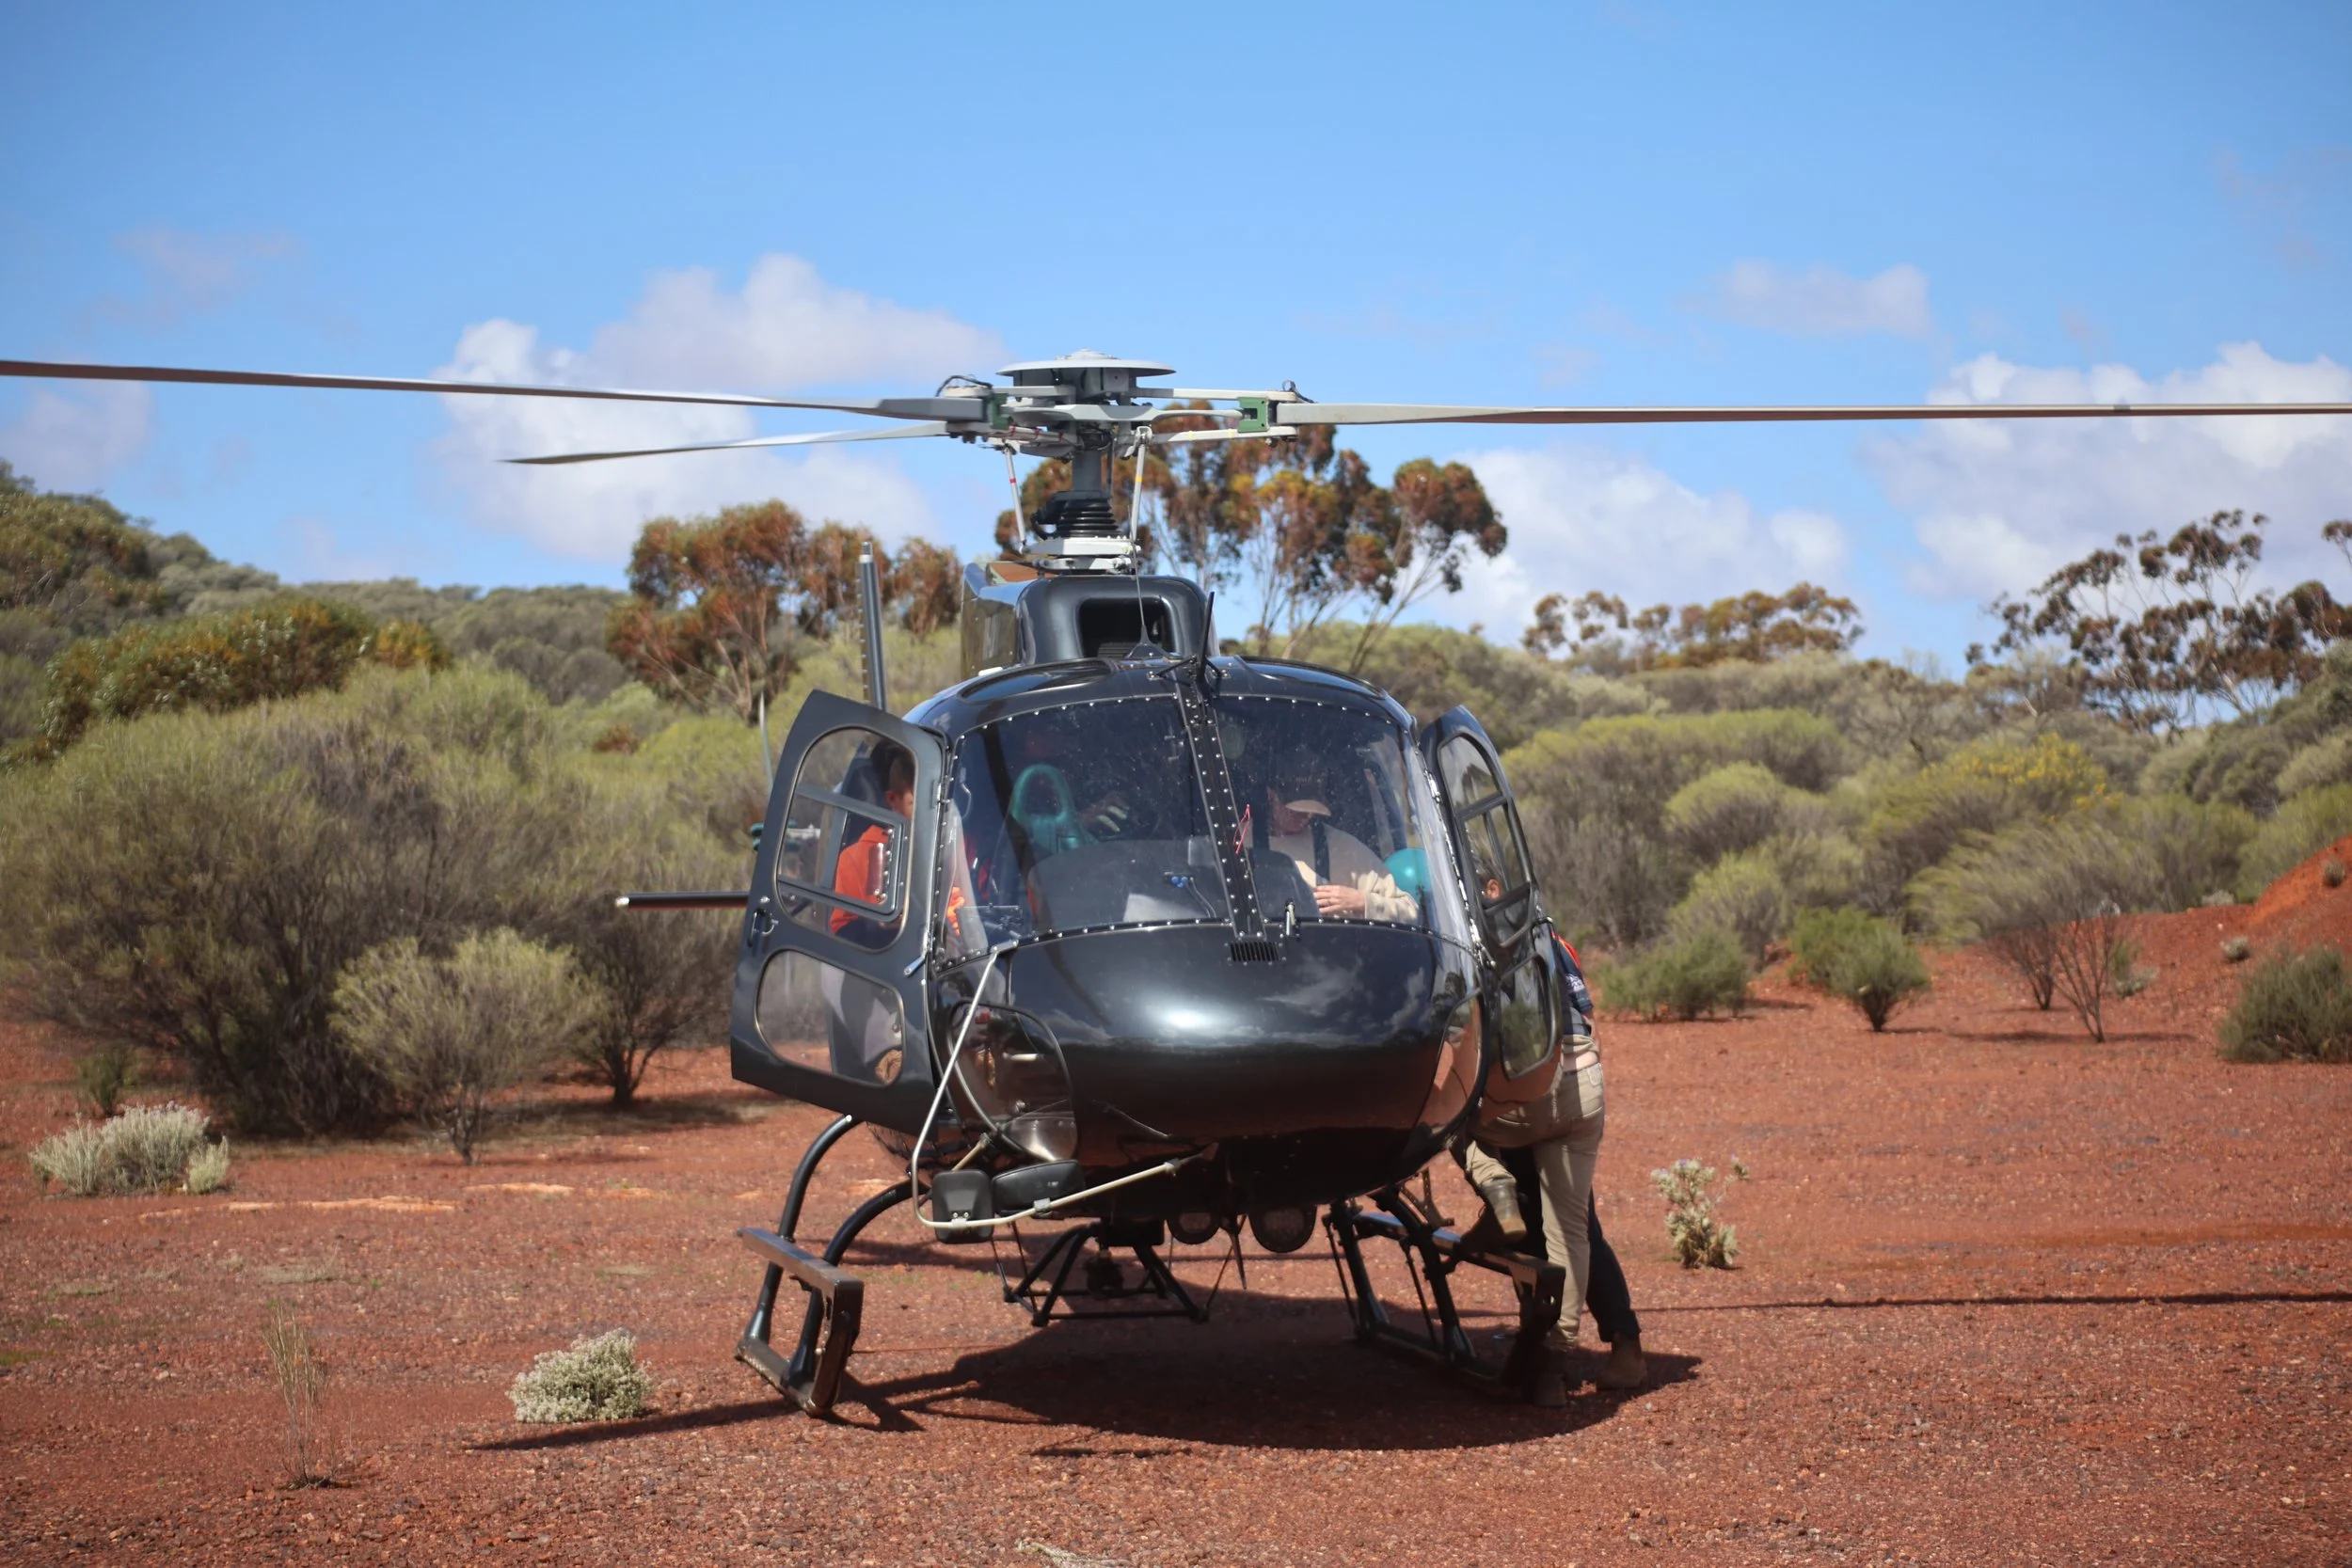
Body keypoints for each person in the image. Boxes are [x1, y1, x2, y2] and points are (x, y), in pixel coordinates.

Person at [1252, 747, 1418, 922]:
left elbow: (1410, 910)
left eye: (1311, 809)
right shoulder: (1240, 841)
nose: (1305, 816)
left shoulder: (1340, 847)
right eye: (1295, 810)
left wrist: (1362, 902)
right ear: (1271, 795)